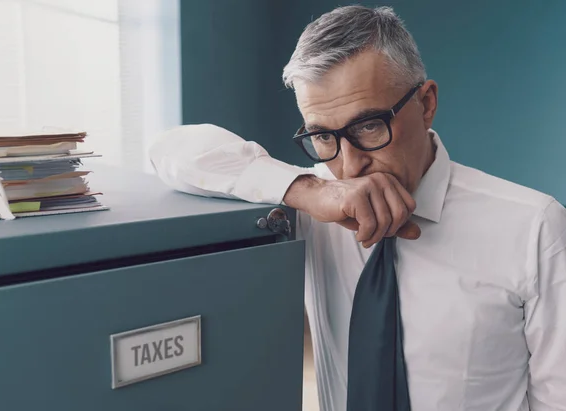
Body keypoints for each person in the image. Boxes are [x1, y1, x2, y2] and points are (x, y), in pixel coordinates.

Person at [149, 5, 566, 411]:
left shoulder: (534, 227)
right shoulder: (313, 207)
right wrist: (306, 189)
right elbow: (168, 151)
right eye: (323, 137)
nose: (349, 165)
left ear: (426, 104)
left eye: (369, 126)